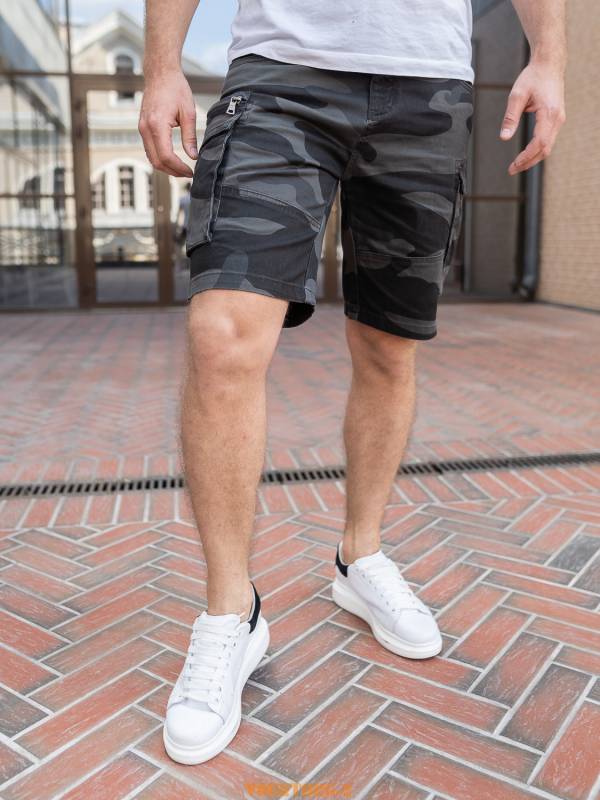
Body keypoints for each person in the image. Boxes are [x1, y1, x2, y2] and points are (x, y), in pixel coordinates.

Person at [139, 0, 566, 765]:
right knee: (222, 336)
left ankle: (359, 558)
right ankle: (231, 612)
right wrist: (162, 65)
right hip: (281, 75)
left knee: (389, 345)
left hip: (426, 84)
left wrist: (549, 58)